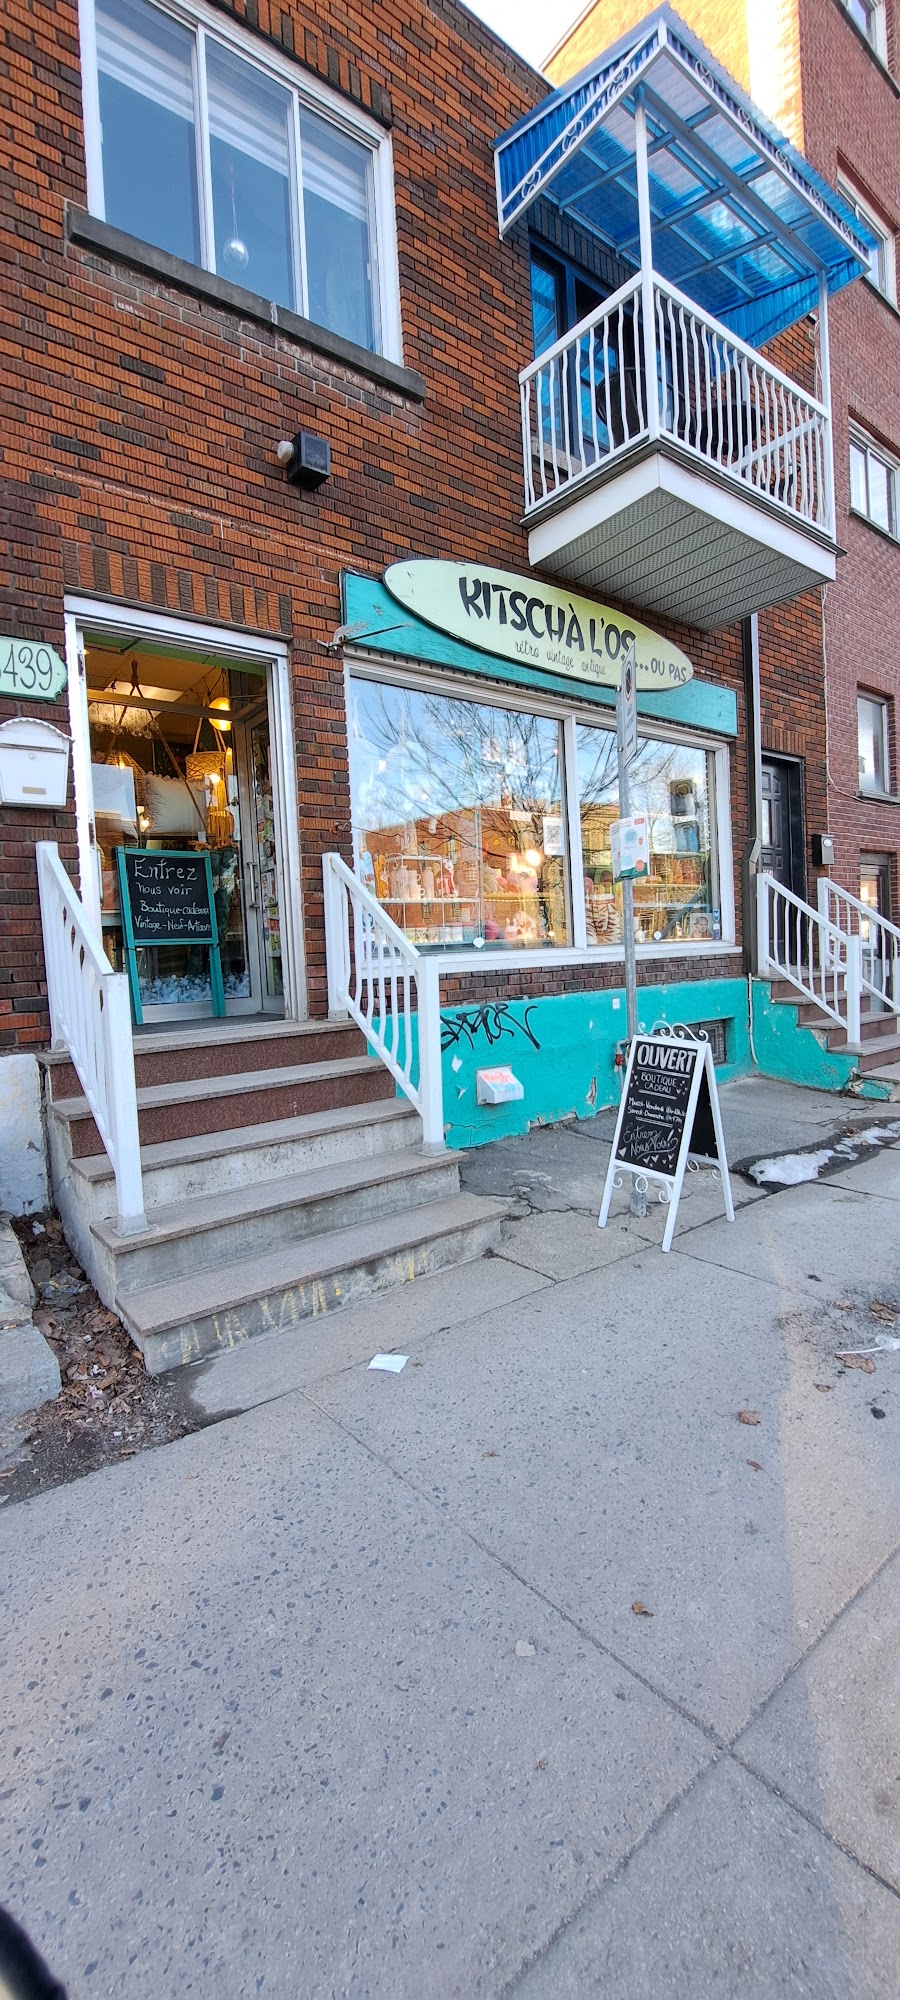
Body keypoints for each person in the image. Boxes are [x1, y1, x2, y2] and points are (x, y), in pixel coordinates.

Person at [584, 868, 622, 944]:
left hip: (611, 932)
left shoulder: (614, 897)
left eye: (609, 881)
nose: (606, 884)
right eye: (605, 881)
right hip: (596, 929)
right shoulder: (591, 899)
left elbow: (616, 917)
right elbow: (589, 922)